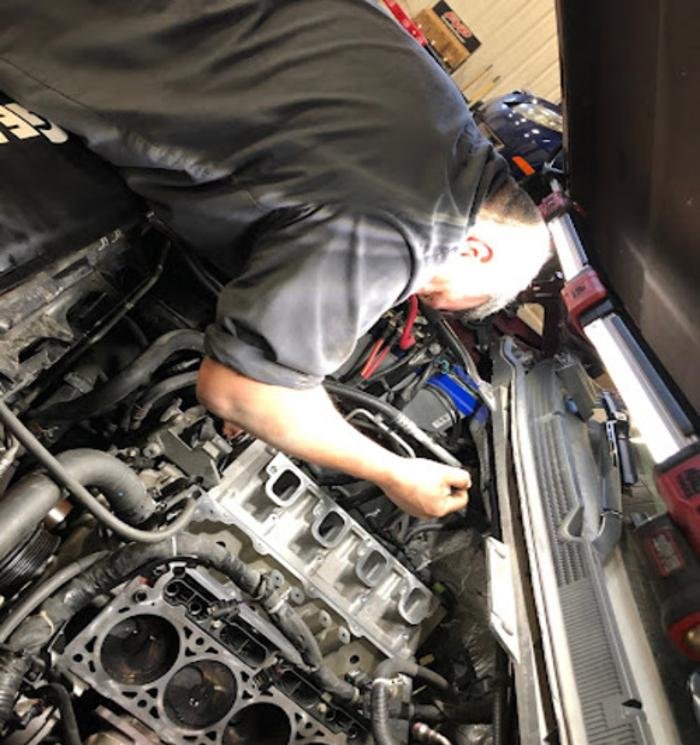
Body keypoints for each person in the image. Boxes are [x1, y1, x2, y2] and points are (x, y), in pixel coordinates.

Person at [0, 0, 552, 517]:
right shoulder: (416, 224)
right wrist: (393, 470)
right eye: (432, 291)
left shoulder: (438, 104)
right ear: (476, 250)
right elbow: (238, 391)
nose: (411, 294)